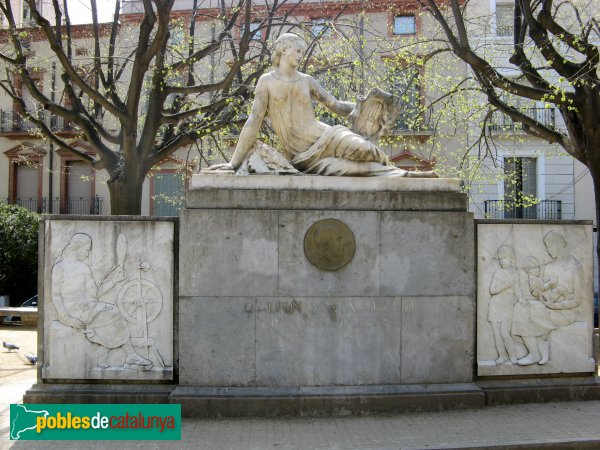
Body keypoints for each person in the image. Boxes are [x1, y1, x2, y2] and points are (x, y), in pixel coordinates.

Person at [207, 33, 435, 177]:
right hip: (301, 155)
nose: (300, 55)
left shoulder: (307, 80)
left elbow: (335, 105)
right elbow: (254, 120)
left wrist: (364, 109)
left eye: (302, 52)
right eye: (298, 50)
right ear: (284, 50)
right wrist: (234, 163)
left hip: (327, 135)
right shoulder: (266, 82)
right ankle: (402, 175)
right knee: (353, 169)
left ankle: (399, 174)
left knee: (367, 151)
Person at [51, 233, 152, 368]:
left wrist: (114, 281)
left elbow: (95, 293)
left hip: (86, 307)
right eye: (86, 250)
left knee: (114, 310)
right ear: (77, 247)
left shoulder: (84, 268)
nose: (87, 254)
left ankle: (120, 355)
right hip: (71, 312)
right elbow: (56, 296)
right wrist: (67, 318)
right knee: (113, 315)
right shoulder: (59, 267)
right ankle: (128, 355)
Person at [511, 230, 581, 365]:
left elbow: (578, 300)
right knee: (521, 307)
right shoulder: (549, 267)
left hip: (564, 310)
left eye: (549, 245)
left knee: (525, 311)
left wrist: (554, 305)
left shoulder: (574, 265)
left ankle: (537, 350)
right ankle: (536, 350)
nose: (548, 250)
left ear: (561, 244)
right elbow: (544, 292)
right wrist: (538, 293)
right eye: (546, 246)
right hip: (548, 306)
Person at [488, 246, 519, 365]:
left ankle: (513, 355)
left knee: (505, 334)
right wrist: (506, 284)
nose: (502, 261)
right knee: (497, 335)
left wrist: (519, 299)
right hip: (495, 306)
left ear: (512, 258)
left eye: (505, 258)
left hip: (507, 307)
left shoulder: (516, 273)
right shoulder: (498, 272)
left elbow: (518, 291)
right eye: (500, 259)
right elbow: (492, 290)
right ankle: (502, 355)